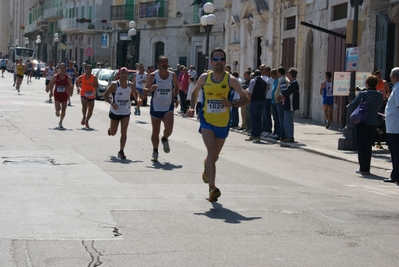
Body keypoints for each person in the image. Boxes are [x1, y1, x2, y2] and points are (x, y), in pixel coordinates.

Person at [187, 48, 250, 202]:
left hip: (223, 123)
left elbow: (246, 99)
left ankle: (206, 167)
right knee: (212, 150)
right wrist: (191, 107)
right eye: (216, 59)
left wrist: (232, 103)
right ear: (211, 62)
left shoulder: (230, 80)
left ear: (225, 62)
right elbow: (195, 92)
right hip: (207, 120)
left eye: (222, 59)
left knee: (214, 156)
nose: (219, 62)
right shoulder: (204, 78)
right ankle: (212, 188)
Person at [143, 55, 179, 162]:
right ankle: (155, 151)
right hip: (156, 107)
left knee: (169, 129)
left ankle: (164, 138)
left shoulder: (172, 75)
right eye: (162, 62)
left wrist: (176, 97)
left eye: (166, 62)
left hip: (168, 106)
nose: (164, 64)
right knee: (155, 131)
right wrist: (150, 89)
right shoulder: (153, 76)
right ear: (158, 64)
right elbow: (144, 90)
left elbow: (177, 86)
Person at [347, 75, 383, 175]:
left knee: (362, 146)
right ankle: (367, 166)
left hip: (362, 122)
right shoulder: (379, 95)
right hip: (373, 123)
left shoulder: (363, 94)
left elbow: (352, 105)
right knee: (368, 146)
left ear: (367, 84)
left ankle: (363, 168)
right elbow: (380, 105)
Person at [104, 67, 141, 160]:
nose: (124, 75)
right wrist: (112, 103)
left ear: (127, 75)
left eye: (126, 73)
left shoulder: (131, 85)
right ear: (120, 74)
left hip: (126, 112)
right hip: (115, 112)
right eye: (122, 73)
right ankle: (111, 129)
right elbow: (105, 95)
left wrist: (138, 100)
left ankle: (121, 151)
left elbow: (136, 95)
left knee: (124, 131)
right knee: (113, 133)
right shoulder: (114, 84)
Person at [383, 67, 399, 183]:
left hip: (395, 126)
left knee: (395, 152)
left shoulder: (398, 89)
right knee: (394, 151)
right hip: (392, 125)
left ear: (394, 76)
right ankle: (395, 175)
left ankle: (396, 176)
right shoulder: (396, 88)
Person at [277, 67, 300, 142]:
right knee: (286, 120)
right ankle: (287, 135)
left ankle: (290, 136)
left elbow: (286, 92)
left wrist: (282, 92)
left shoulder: (294, 83)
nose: (287, 74)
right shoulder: (291, 83)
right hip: (287, 104)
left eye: (288, 73)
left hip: (290, 105)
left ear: (291, 74)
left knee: (288, 121)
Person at [48, 63, 73, 129]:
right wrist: (50, 92)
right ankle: (57, 110)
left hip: (64, 95)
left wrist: (70, 90)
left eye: (63, 68)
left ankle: (61, 121)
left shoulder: (68, 78)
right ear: (59, 69)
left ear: (65, 69)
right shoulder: (56, 76)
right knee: (58, 108)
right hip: (57, 94)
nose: (62, 70)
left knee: (64, 109)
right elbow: (51, 83)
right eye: (61, 68)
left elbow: (71, 84)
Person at [246, 69, 267, 143]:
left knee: (253, 118)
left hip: (254, 101)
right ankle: (258, 135)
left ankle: (253, 134)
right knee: (259, 118)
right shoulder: (264, 82)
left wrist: (248, 100)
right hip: (261, 101)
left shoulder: (253, 81)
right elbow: (265, 92)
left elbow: (250, 92)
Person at [75, 64, 99, 128]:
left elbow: (97, 86)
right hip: (83, 94)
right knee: (84, 106)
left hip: (91, 95)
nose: (88, 70)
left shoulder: (94, 77)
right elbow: (77, 81)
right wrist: (78, 88)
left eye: (89, 69)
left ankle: (87, 121)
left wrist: (93, 85)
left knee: (90, 110)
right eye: (87, 69)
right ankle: (84, 116)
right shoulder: (82, 77)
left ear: (91, 70)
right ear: (85, 70)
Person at [274, 67, 290, 140]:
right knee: (281, 119)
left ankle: (282, 134)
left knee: (281, 119)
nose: (276, 74)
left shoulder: (283, 80)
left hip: (281, 102)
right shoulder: (283, 79)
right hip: (281, 101)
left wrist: (278, 98)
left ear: (279, 73)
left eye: (277, 72)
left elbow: (283, 90)